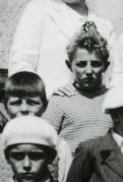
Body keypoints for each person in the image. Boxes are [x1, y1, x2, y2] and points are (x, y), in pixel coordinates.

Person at [9, 0, 123, 97]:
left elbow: (117, 76)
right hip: (49, 107)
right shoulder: (40, 11)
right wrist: (47, 94)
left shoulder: (105, 26)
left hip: (96, 112)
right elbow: (21, 65)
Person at [42, 21, 114, 153]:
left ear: (106, 65)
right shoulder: (60, 100)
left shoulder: (114, 100)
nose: (88, 71)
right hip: (71, 169)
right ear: (69, 65)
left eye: (96, 64)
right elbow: (43, 142)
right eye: (81, 64)